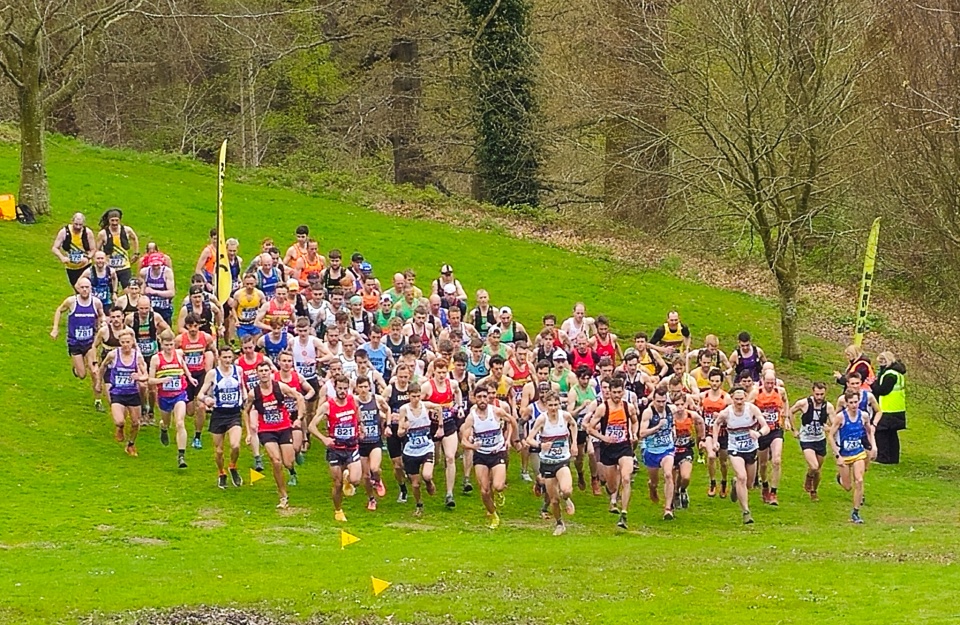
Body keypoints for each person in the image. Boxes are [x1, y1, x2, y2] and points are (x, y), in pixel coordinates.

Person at [247, 362, 305, 509]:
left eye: (266, 370)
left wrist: (299, 417)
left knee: (287, 462)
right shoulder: (254, 393)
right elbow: (245, 411)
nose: (264, 373)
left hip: (284, 428)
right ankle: (283, 495)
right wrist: (249, 431)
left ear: (270, 372)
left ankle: (293, 466)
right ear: (257, 374)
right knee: (276, 461)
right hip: (266, 431)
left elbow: (299, 396)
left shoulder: (280, 387)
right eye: (261, 371)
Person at [586, 377, 638, 529]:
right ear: (609, 392)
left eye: (619, 392)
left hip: (624, 447)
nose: (616, 395)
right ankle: (613, 498)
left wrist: (634, 433)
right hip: (608, 449)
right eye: (613, 392)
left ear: (623, 391)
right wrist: (603, 437)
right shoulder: (603, 408)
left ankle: (624, 513)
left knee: (626, 478)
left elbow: (635, 421)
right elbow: (590, 428)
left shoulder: (628, 407)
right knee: (612, 486)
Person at [713, 386, 769, 524]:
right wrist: (715, 441)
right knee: (742, 477)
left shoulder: (751, 409)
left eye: (742, 399)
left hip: (751, 449)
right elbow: (717, 423)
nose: (739, 402)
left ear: (745, 397)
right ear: (731, 398)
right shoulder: (727, 413)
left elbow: (766, 426)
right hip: (735, 449)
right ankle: (746, 512)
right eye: (736, 399)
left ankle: (735, 484)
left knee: (749, 484)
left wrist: (758, 433)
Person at [460, 384, 514, 529]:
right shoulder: (471, 418)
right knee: (484, 490)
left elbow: (512, 421)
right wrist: (472, 446)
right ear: (474, 399)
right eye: (479, 397)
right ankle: (493, 515)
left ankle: (500, 492)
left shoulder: (496, 411)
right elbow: (463, 441)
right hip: (481, 455)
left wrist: (510, 440)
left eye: (485, 396)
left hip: (497, 452)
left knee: (498, 485)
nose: (483, 400)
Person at [526, 390, 578, 535]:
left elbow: (574, 425)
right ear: (546, 405)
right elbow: (529, 439)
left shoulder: (565, 416)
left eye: (556, 404)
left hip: (562, 460)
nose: (554, 408)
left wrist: (573, 443)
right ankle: (559, 523)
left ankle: (567, 498)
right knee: (554, 500)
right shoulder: (542, 420)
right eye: (551, 405)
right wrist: (540, 445)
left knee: (566, 489)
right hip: (547, 462)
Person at [51, 277, 105, 411]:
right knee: (82, 375)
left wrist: (101, 324)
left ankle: (98, 401)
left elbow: (101, 315)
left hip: (90, 343)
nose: (85, 290)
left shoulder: (96, 302)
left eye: (87, 287)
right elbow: (59, 310)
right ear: (78, 288)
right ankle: (76, 367)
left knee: (94, 371)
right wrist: (55, 328)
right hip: (74, 342)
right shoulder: (71, 302)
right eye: (82, 287)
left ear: (91, 288)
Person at [198, 346, 247, 489]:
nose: (227, 360)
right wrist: (206, 400)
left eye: (229, 357)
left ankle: (233, 466)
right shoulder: (213, 374)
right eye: (224, 357)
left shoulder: (238, 370)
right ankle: (221, 473)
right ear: (219, 358)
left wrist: (244, 397)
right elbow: (201, 394)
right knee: (219, 450)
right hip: (218, 414)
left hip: (234, 413)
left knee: (235, 445)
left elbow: (241, 386)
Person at [148, 329, 196, 469]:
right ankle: (163, 428)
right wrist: (161, 380)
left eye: (171, 345)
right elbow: (150, 380)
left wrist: (190, 377)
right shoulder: (156, 359)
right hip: (164, 397)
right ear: (161, 344)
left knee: (180, 423)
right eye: (166, 345)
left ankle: (181, 455)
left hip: (179, 394)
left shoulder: (179, 354)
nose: (169, 348)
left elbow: (183, 366)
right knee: (167, 422)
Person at [828, 389, 877, 524]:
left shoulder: (864, 416)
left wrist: (873, 446)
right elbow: (831, 436)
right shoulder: (841, 418)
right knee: (848, 487)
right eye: (851, 403)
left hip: (858, 453)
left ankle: (855, 512)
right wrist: (837, 455)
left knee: (859, 480)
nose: (854, 405)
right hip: (844, 455)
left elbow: (869, 431)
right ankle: (841, 478)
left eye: (856, 402)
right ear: (846, 404)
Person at [100, 328, 148, 456]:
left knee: (135, 423)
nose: (125, 345)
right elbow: (103, 366)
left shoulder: (137, 356)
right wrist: (98, 382)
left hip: (132, 393)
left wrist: (140, 377)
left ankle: (131, 444)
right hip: (117, 393)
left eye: (128, 342)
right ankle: (120, 428)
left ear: (132, 342)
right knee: (119, 421)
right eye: (123, 342)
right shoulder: (113, 355)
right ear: (119, 342)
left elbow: (145, 374)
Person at [422, 359, 462, 508]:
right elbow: (417, 403)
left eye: (444, 372)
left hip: (448, 424)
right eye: (439, 372)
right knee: (436, 460)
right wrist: (432, 407)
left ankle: (449, 493)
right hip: (431, 426)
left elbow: (458, 392)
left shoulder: (452, 384)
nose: (441, 375)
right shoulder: (427, 387)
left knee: (450, 457)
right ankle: (428, 480)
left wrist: (459, 406)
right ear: (433, 372)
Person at [397, 383, 437, 517]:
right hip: (411, 451)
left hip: (426, 447)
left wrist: (441, 425)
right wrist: (405, 428)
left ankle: (429, 483)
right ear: (408, 396)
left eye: (418, 396)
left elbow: (439, 408)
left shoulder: (425, 406)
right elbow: (399, 433)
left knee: (427, 475)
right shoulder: (404, 409)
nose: (416, 399)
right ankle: (419, 504)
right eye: (413, 396)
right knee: (415, 484)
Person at [175, 314, 215, 450]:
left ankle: (197, 437)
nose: (193, 329)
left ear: (199, 325)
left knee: (201, 406)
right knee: (190, 411)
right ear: (186, 326)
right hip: (186, 376)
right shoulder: (180, 339)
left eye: (195, 326)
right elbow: (174, 355)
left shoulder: (206, 338)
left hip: (200, 375)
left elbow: (213, 351)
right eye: (190, 326)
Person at [789, 382, 834, 501]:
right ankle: (809, 477)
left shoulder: (828, 407)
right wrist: (794, 430)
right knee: (813, 466)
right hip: (807, 439)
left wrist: (829, 429)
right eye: (817, 394)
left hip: (820, 439)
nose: (819, 397)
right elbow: (790, 412)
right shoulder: (804, 403)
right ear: (812, 392)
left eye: (822, 394)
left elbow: (835, 424)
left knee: (818, 470)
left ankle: (814, 491)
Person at [639, 388, 678, 520]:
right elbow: (641, 434)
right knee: (654, 481)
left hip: (667, 449)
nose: (661, 404)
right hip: (652, 450)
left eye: (663, 401)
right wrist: (657, 427)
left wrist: (673, 430)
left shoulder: (671, 410)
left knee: (668, 474)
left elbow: (674, 421)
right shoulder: (648, 413)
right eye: (658, 401)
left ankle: (668, 509)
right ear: (653, 400)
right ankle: (652, 487)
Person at [755, 370, 790, 506]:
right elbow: (748, 407)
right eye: (767, 382)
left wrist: (785, 418)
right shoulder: (756, 393)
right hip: (762, 431)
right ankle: (765, 486)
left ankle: (774, 492)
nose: (770, 385)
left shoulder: (780, 391)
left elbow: (786, 402)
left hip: (776, 430)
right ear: (762, 380)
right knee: (763, 464)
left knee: (776, 460)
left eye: (772, 382)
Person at [355, 376, 389, 510]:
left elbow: (388, 410)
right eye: (361, 387)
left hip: (375, 441)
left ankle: (378, 480)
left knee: (375, 468)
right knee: (366, 475)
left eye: (365, 387)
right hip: (361, 443)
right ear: (357, 388)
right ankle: (371, 499)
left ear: (369, 387)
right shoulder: (354, 401)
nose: (363, 390)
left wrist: (388, 425)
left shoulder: (377, 399)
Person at [567, 365, 598, 494]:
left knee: (591, 453)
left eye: (587, 378)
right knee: (579, 457)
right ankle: (580, 474)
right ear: (578, 378)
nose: (585, 381)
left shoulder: (592, 389)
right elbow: (570, 413)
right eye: (583, 378)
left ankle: (594, 479)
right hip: (578, 426)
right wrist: (581, 407)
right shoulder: (573, 392)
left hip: (590, 425)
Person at [871, 351, 907, 464]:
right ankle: (893, 458)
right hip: (897, 407)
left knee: (882, 433)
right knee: (892, 434)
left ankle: (883, 457)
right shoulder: (898, 373)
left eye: (882, 361)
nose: (881, 364)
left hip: (887, 408)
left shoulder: (889, 375)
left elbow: (882, 390)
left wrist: (873, 384)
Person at [700, 370, 731, 498]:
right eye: (712, 381)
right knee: (712, 456)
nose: (714, 383)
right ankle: (712, 483)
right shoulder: (704, 396)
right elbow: (700, 415)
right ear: (709, 381)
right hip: (709, 432)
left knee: (723, 461)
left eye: (717, 381)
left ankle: (723, 482)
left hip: (723, 433)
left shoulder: (726, 398)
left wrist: (722, 417)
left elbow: (732, 417)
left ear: (721, 382)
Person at [96, 208, 140, 288]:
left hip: (124, 266)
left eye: (116, 220)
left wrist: (136, 253)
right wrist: (102, 261)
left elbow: (134, 238)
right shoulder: (103, 234)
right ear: (108, 220)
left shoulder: (126, 230)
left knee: (128, 288)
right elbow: (97, 250)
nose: (114, 223)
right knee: (111, 291)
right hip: (110, 267)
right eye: (112, 220)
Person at [52, 212, 96, 286]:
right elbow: (55, 248)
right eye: (76, 224)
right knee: (76, 287)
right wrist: (62, 257)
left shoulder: (87, 232)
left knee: (86, 286)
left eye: (80, 225)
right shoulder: (64, 232)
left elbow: (93, 249)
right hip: (71, 266)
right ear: (72, 222)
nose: (78, 227)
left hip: (85, 265)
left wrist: (88, 257)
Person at [140, 252, 176, 325]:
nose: (156, 267)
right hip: (149, 309)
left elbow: (171, 293)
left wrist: (154, 292)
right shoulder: (144, 272)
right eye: (153, 265)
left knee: (166, 331)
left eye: (157, 265)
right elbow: (141, 292)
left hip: (164, 307)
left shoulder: (167, 272)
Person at [230, 273, 266, 341]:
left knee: (254, 344)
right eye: (247, 284)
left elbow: (265, 306)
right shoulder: (238, 294)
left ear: (255, 283)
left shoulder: (259, 294)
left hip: (255, 323)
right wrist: (236, 320)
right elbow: (233, 308)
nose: (249, 286)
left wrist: (261, 316)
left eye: (251, 284)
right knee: (245, 343)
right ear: (244, 283)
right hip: (242, 324)